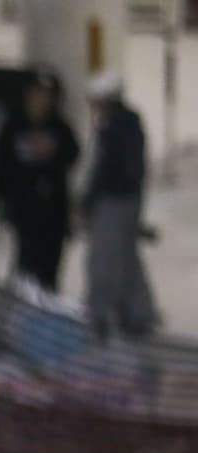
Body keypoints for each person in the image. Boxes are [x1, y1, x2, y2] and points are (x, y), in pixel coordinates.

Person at [80, 72, 159, 340]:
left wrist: (87, 201)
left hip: (112, 202)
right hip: (129, 200)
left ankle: (100, 314)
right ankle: (138, 311)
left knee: (104, 259)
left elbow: (102, 170)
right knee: (126, 255)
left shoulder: (113, 129)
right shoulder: (131, 125)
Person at [0, 70, 79, 292]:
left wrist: (53, 152)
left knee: (50, 268)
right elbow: (1, 165)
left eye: (47, 96)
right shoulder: (13, 125)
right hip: (25, 209)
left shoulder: (59, 126)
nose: (42, 100)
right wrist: (3, 201)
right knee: (27, 268)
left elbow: (72, 155)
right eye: (38, 94)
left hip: (54, 211)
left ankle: (47, 314)